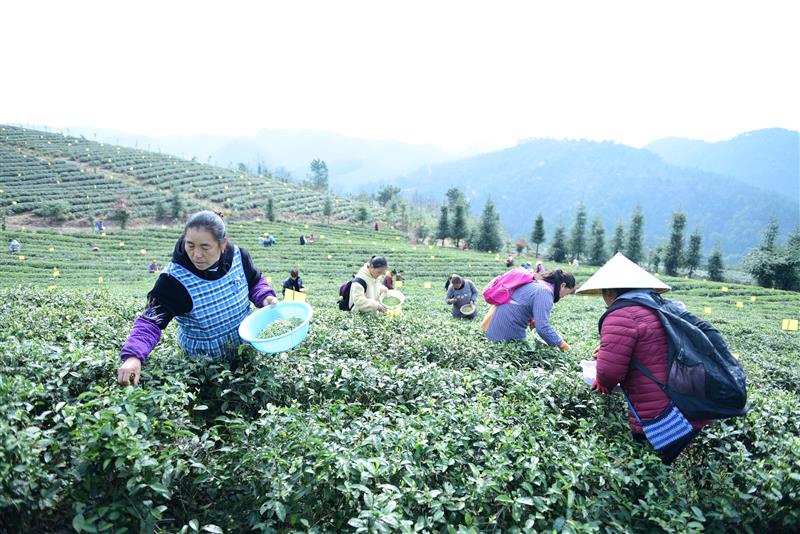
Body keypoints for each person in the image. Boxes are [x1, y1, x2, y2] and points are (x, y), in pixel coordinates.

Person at [577, 252, 712, 464]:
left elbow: (609, 373)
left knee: (647, 470)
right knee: (662, 467)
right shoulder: (660, 306)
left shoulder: (620, 314)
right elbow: (651, 350)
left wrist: (602, 379)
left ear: (610, 290)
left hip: (661, 415)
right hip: (691, 404)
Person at [117, 211, 277, 385]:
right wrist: (134, 356)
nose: (197, 255)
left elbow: (254, 281)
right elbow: (151, 321)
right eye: (190, 245)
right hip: (203, 370)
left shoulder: (239, 256)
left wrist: (265, 296)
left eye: (205, 247)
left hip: (245, 353)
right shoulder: (173, 280)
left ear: (222, 244)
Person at [485, 269, 575, 350]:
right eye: (566, 293)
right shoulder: (545, 292)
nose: (563, 296)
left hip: (494, 333)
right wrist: (562, 345)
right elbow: (542, 328)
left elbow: (521, 305)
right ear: (562, 285)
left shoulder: (536, 283)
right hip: (506, 337)